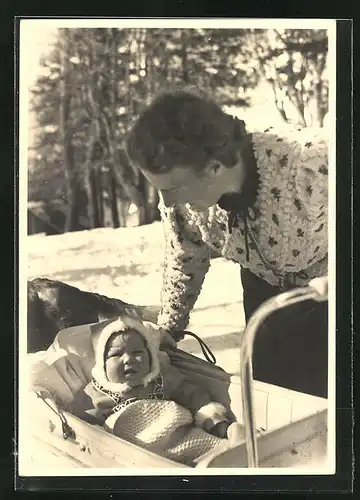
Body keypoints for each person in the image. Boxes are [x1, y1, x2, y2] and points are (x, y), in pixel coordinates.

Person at [124, 87, 329, 399]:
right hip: (266, 296)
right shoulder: (182, 204)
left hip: (333, 296)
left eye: (175, 187)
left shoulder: (308, 165)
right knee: (272, 400)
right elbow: (184, 260)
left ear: (215, 167)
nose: (166, 201)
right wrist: (169, 328)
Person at [67, 315, 243, 466]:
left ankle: (229, 442)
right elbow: (83, 423)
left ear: (150, 355)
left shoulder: (163, 377)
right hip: (140, 452)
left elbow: (193, 395)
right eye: (116, 355)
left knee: (208, 445)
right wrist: (91, 440)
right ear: (102, 364)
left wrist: (216, 421)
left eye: (137, 352)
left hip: (180, 435)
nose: (128, 359)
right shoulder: (95, 393)